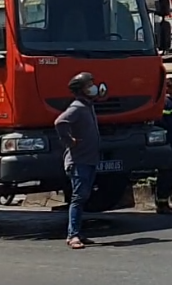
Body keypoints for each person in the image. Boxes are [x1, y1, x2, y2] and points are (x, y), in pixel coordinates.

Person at [55, 72, 103, 249]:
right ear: (81, 89)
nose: (93, 87)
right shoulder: (77, 107)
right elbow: (60, 122)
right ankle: (73, 235)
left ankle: (78, 232)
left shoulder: (87, 105)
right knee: (78, 197)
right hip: (78, 161)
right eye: (89, 84)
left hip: (89, 159)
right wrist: (69, 141)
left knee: (84, 197)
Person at [155, 75, 172, 214]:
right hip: (169, 144)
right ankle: (162, 203)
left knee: (170, 174)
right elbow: (164, 125)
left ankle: (164, 201)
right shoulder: (166, 103)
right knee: (166, 174)